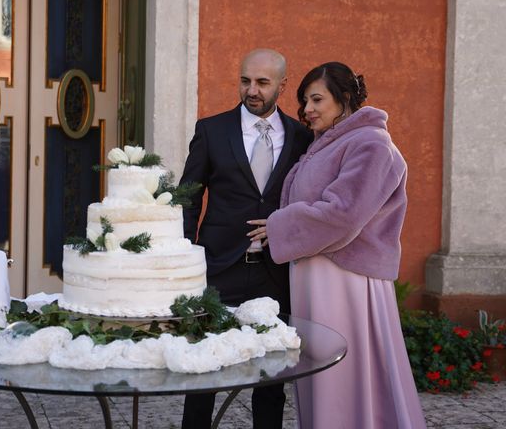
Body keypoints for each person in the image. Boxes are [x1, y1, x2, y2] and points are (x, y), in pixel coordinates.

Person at [248, 61, 426, 428]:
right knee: (321, 371)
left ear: (344, 99)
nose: (308, 110)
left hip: (347, 279)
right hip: (317, 276)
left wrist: (280, 225)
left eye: (317, 99)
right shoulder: (325, 145)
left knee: (344, 370)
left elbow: (344, 214)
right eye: (304, 101)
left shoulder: (372, 145)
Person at [179, 48, 313, 429]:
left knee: (271, 378)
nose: (251, 90)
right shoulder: (211, 129)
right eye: (245, 80)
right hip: (218, 268)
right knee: (205, 373)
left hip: (276, 271)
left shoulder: (302, 137)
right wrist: (188, 257)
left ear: (283, 86)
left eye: (262, 83)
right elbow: (188, 196)